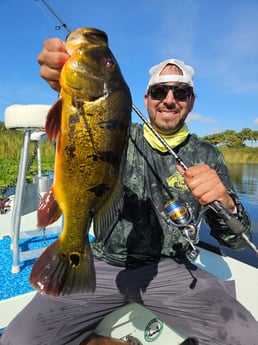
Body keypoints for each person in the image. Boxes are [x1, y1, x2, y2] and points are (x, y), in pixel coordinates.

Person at [1, 37, 258, 345]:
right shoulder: (119, 132)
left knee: (246, 337)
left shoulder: (209, 156)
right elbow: (75, 147)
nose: (170, 99)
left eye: (182, 92)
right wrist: (64, 88)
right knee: (20, 339)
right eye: (160, 91)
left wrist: (226, 201)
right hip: (101, 261)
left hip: (172, 268)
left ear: (191, 100)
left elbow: (235, 240)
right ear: (147, 98)